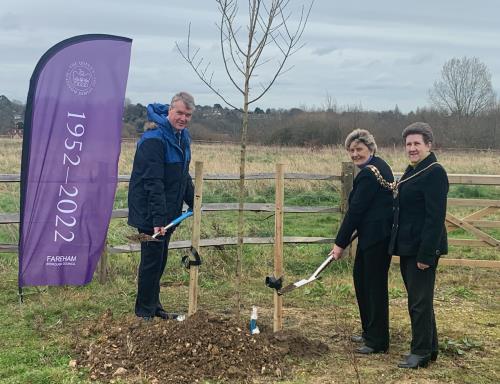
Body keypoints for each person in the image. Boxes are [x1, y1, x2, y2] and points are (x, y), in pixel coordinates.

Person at [128, 92, 195, 321]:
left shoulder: (182, 138)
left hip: (169, 212)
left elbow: (183, 175)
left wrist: (194, 199)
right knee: (151, 261)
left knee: (160, 259)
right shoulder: (154, 139)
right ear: (169, 111)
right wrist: (157, 221)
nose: (183, 118)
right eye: (179, 113)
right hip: (150, 213)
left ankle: (154, 305)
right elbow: (152, 183)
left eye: (187, 115)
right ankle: (144, 312)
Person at [389, 122, 448, 369]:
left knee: (419, 302)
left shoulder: (434, 172)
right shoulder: (414, 169)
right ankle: (430, 348)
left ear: (428, 145)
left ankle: (420, 352)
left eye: (417, 144)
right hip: (408, 246)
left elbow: (435, 218)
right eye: (408, 144)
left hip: (422, 249)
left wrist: (426, 254)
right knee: (418, 298)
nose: (412, 148)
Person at [331, 129, 394, 355]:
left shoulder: (369, 174)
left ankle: (378, 340)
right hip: (374, 235)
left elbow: (355, 212)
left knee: (373, 287)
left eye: (359, 149)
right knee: (363, 281)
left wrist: (340, 244)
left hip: (376, 238)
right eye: (351, 150)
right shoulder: (380, 166)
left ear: (370, 148)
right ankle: (370, 331)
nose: (354, 154)